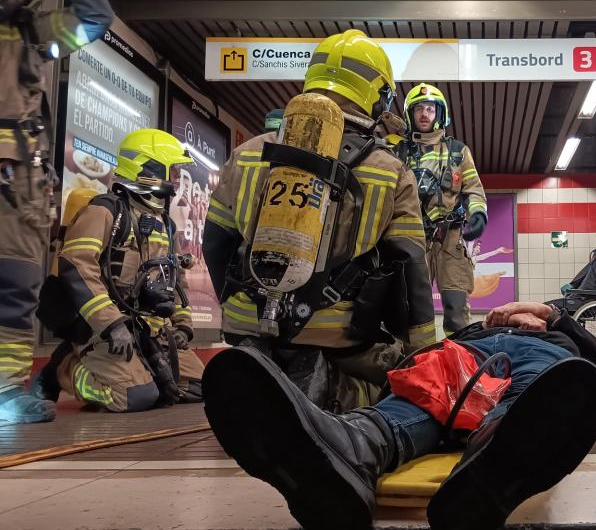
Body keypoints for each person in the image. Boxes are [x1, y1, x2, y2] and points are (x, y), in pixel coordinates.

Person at [203, 300, 596, 530]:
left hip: (539, 357)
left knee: (530, 397)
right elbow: (431, 360)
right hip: (464, 354)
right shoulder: (478, 328)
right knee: (417, 399)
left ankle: (492, 461)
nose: (510, 314)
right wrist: (482, 328)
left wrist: (547, 315)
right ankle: (352, 450)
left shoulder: (556, 330)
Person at [203, 30, 436, 412]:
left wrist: (236, 307)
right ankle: (339, 392)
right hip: (335, 333)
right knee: (391, 384)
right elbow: (410, 267)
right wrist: (424, 352)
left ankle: (266, 374)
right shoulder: (390, 171)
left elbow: (215, 243)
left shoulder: (246, 154)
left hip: (250, 324)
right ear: (378, 95)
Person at [0, 0, 113, 423]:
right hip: (15, 179)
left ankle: (5, 389)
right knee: (14, 284)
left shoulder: (32, 29)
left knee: (15, 285)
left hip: (18, 179)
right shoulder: (31, 31)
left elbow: (95, 18)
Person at [30, 129, 205, 412]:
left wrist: (183, 325)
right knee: (134, 396)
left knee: (200, 386)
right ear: (148, 168)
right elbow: (76, 265)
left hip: (149, 330)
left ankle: (138, 374)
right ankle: (64, 368)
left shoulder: (165, 224)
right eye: (172, 170)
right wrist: (111, 324)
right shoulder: (105, 211)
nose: (176, 179)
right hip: (106, 329)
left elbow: (176, 280)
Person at [394, 83, 487, 334]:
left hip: (451, 239)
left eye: (430, 109)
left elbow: (474, 189)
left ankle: (457, 355)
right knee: (411, 308)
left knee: (456, 310)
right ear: (410, 115)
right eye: (419, 109)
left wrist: (478, 214)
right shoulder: (398, 153)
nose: (424, 114)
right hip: (413, 239)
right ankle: (414, 356)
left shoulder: (458, 151)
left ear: (439, 114)